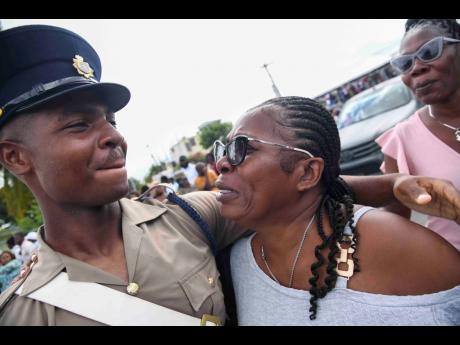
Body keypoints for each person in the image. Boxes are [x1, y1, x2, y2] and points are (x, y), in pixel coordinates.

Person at [0, 25, 458, 326]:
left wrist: (393, 185)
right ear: (16, 157)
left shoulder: (185, 219)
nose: (113, 138)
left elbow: (294, 195)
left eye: (111, 122)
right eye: (80, 125)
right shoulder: (23, 312)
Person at [213, 96, 460, 325]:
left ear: (307, 173)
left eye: (242, 147)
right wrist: (390, 184)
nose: (221, 163)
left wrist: (393, 184)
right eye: (224, 150)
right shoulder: (232, 264)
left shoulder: (393, 243)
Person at [377, 19, 460, 250]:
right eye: (405, 63)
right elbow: (395, 223)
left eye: (430, 51)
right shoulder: (402, 140)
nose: (417, 67)